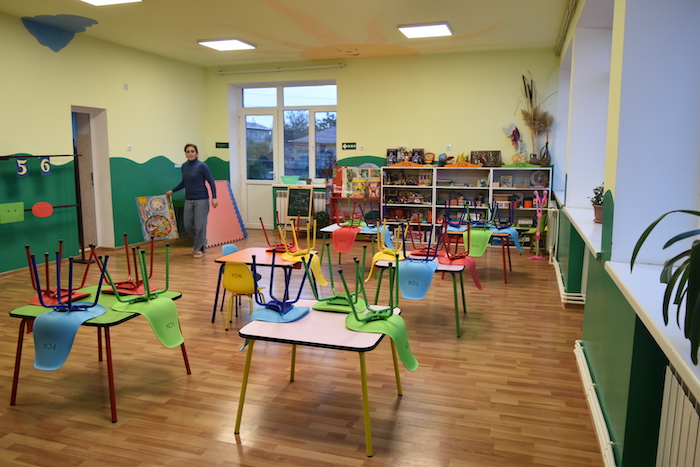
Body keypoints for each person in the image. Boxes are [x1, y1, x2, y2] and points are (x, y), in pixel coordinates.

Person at [166, 144, 218, 258]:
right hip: (189, 199)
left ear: (197, 153)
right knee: (188, 225)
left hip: (201, 199)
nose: (190, 153)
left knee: (200, 226)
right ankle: (202, 240)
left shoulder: (202, 166)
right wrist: (172, 191)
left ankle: (198, 249)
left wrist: (214, 197)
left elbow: (211, 181)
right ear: (185, 154)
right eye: (188, 152)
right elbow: (184, 182)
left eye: (192, 151)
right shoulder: (184, 167)